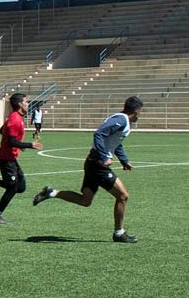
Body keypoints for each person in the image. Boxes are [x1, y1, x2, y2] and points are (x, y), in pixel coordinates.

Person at [33, 96, 143, 243]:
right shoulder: (122, 120)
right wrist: (104, 156)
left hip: (92, 163)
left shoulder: (123, 121)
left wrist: (124, 160)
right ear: (136, 111)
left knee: (85, 200)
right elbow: (99, 134)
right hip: (98, 165)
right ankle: (119, 233)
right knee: (123, 196)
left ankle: (51, 193)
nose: (140, 115)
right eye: (140, 112)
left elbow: (115, 142)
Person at [0, 92, 42, 224]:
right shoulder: (15, 119)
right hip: (5, 159)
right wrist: (29, 145)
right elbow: (11, 141)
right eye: (26, 101)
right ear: (20, 104)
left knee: (21, 187)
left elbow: (2, 131)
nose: (28, 104)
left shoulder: (16, 117)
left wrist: (18, 144)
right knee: (12, 188)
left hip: (10, 158)